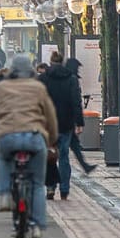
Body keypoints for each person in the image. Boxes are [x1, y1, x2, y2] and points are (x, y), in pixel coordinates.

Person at [0, 51, 58, 238]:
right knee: (38, 184)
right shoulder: (39, 88)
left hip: (8, 137)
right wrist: (52, 138)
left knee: (5, 159)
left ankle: (5, 193)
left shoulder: (1, 88)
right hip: (34, 137)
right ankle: (38, 228)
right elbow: (50, 116)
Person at [42, 52, 94, 192]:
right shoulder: (71, 79)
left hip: (48, 124)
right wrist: (80, 122)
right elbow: (76, 102)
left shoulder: (43, 78)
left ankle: (50, 187)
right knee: (64, 156)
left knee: (50, 155)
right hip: (66, 123)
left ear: (51, 61)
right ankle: (64, 188)